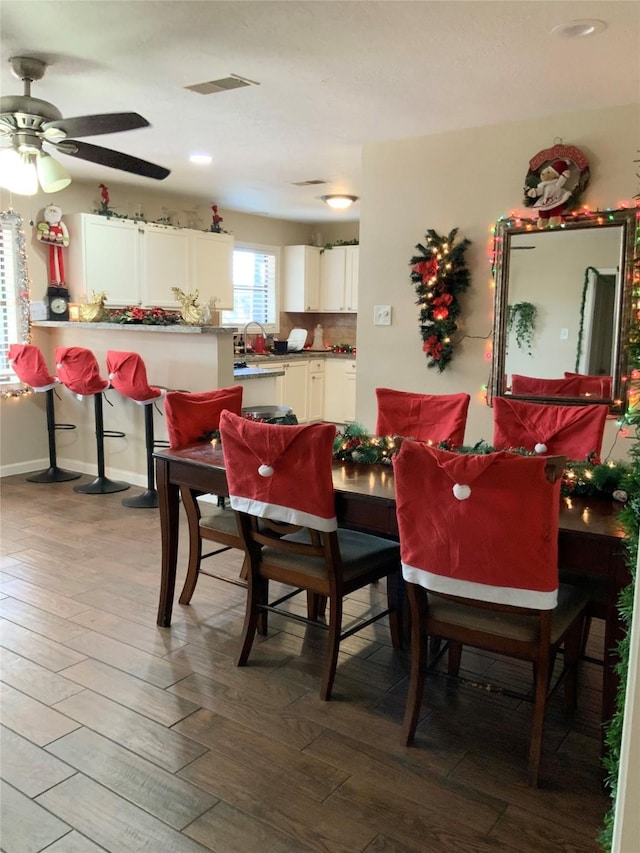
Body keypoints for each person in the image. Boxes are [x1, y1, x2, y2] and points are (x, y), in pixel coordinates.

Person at [37, 204, 69, 284]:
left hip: (59, 240)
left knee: (60, 259)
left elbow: (65, 232)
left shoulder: (60, 224)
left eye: (54, 211)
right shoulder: (47, 224)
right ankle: (53, 279)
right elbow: (41, 229)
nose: (52, 213)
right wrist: (40, 235)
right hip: (51, 240)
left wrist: (65, 240)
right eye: (50, 211)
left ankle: (62, 280)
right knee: (51, 259)